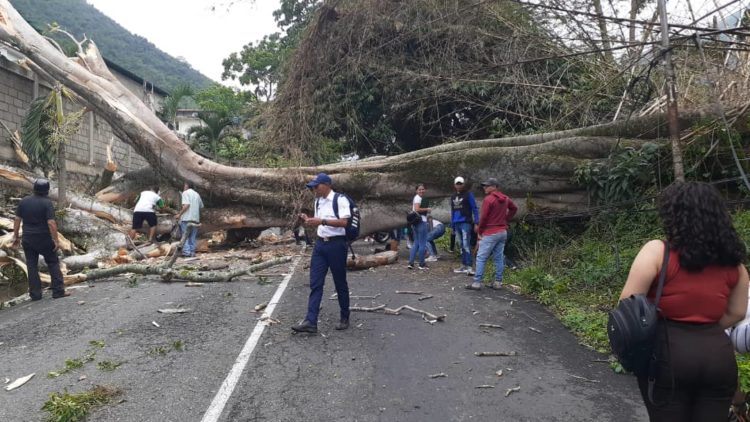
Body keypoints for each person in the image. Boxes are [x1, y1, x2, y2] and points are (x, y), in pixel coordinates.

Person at [618, 181, 749, 421]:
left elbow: (628, 304)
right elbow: (738, 312)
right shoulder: (735, 264)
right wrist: (705, 330)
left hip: (668, 355)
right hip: (718, 357)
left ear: (674, 216)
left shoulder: (657, 251)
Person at [291, 173, 351, 334]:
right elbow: (319, 222)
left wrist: (321, 221)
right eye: (312, 187)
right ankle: (311, 321)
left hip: (336, 245)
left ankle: (345, 316)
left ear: (326, 185)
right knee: (315, 283)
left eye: (316, 186)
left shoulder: (340, 200)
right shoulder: (318, 201)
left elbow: (344, 222)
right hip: (320, 245)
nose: (314, 189)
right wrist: (309, 220)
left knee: (340, 282)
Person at [11, 179, 68, 300]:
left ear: (34, 189)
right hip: (43, 238)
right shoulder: (47, 203)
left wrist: (15, 236)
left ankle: (35, 295)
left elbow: (17, 219)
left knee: (31, 265)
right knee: (52, 262)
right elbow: (51, 223)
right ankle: (58, 291)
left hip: (27, 238)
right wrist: (56, 240)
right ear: (47, 191)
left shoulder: (24, 201)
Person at [467, 178, 517, 290]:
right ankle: (498, 282)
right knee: (498, 258)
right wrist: (506, 220)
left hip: (490, 233)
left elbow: (483, 218)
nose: (484, 187)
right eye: (484, 185)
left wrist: (480, 231)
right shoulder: (506, 198)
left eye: (487, 185)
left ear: (494, 186)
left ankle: (476, 283)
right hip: (502, 232)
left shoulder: (489, 199)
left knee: (481, 257)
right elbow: (514, 209)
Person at [451, 176, 479, 275]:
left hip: (466, 223)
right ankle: (463, 265)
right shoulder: (453, 196)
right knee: (461, 245)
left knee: (466, 245)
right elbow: (452, 211)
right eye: (457, 184)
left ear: (463, 184)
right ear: (454, 185)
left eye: (460, 183)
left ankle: (470, 267)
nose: (459, 185)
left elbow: (475, 209)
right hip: (456, 223)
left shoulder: (468, 195)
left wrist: (476, 222)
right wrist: (452, 225)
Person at [174, 182, 204, 257]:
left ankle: (186, 252)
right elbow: (201, 206)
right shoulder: (197, 194)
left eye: (184, 185)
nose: (184, 186)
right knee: (193, 236)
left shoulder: (185, 193)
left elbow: (187, 205)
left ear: (187, 185)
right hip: (195, 218)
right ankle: (192, 252)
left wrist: (179, 214)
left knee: (185, 236)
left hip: (186, 218)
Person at [407, 183, 431, 270]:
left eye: (423, 189)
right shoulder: (418, 198)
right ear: (416, 190)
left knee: (416, 243)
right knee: (422, 244)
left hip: (415, 223)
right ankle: (422, 264)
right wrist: (427, 209)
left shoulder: (419, 198)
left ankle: (411, 262)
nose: (421, 191)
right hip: (421, 222)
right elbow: (417, 209)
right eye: (419, 189)